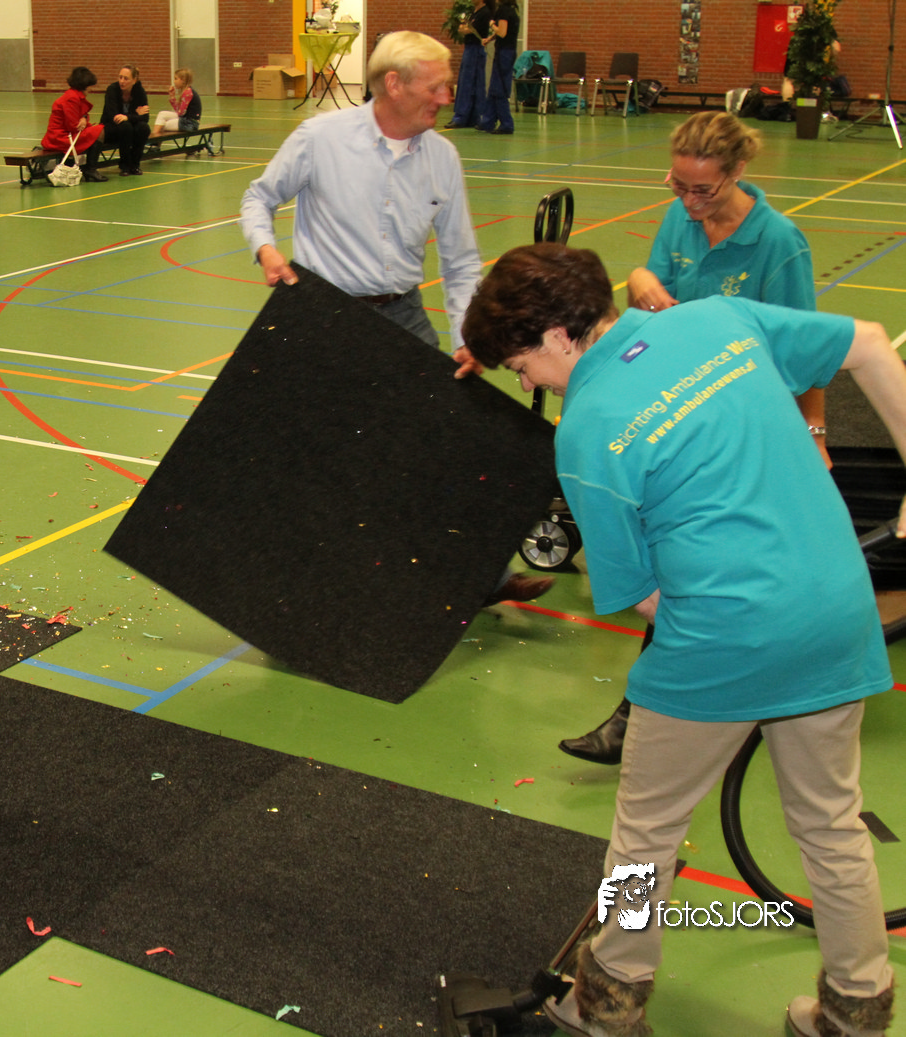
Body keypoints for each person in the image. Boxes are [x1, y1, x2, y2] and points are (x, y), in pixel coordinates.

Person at [462, 242, 900, 1037]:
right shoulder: (717, 320)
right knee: (831, 824)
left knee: (645, 834)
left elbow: (644, 596)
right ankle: (855, 1010)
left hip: (721, 638)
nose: (525, 382)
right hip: (836, 610)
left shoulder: (586, 429)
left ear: (557, 335)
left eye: (521, 365)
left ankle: (608, 1001)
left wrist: (731, 642)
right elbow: (868, 342)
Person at [239, 29, 549, 606]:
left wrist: (467, 338)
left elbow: (460, 261)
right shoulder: (321, 138)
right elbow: (259, 197)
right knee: (319, 456)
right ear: (394, 85)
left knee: (447, 442)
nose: (447, 98)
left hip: (403, 315)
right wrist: (266, 249)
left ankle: (484, 577)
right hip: (322, 316)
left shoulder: (443, 158)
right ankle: (303, 588)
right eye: (437, 87)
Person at [567, 112, 825, 766]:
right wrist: (642, 283)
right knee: (685, 569)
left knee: (704, 577)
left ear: (737, 172)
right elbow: (648, 284)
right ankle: (660, 713)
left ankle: (649, 718)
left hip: (747, 430)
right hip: (685, 425)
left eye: (701, 189)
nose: (687, 201)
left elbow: (807, 352)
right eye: (677, 186)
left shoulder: (778, 243)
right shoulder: (680, 220)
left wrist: (814, 434)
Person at [42, 67, 109, 183]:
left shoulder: (73, 95)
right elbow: (73, 126)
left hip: (63, 135)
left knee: (96, 130)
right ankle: (91, 169)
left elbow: (81, 117)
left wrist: (84, 119)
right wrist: (84, 120)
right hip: (60, 138)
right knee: (100, 131)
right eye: (90, 86)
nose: (91, 89)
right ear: (84, 85)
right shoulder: (72, 98)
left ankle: (90, 168)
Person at [446, 0, 495, 128]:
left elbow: (468, 30)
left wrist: (465, 28)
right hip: (469, 48)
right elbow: (461, 29)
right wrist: (464, 28)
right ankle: (469, 117)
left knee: (470, 83)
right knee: (466, 82)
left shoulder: (484, 13)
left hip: (475, 49)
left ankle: (465, 116)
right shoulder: (474, 12)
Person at [477, 0, 519, 133]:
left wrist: (491, 24)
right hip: (507, 52)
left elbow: (502, 32)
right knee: (493, 89)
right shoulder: (512, 10)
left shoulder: (503, 11)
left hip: (504, 53)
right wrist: (489, 39)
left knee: (499, 88)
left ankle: (507, 123)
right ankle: (487, 121)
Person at [102, 65, 151, 176]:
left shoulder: (140, 91)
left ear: (134, 80)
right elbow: (114, 116)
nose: (122, 81)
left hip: (130, 126)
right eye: (120, 77)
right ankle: (124, 166)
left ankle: (135, 165)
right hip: (111, 127)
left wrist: (128, 117)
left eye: (126, 78)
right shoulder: (112, 90)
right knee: (126, 127)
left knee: (143, 128)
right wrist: (135, 115)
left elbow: (145, 118)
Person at [154, 68, 201, 134]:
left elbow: (181, 113)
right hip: (186, 120)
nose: (174, 81)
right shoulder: (186, 91)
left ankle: (154, 138)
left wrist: (169, 119)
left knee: (161, 125)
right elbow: (179, 111)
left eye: (176, 79)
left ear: (183, 80)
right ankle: (154, 138)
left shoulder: (188, 92)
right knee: (162, 114)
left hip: (190, 123)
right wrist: (172, 97)